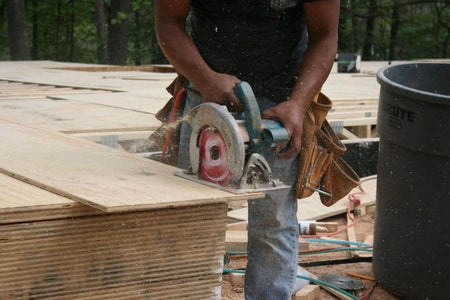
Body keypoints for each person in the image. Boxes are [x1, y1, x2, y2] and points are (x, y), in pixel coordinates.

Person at [155, 1, 339, 299]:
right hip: (205, 84)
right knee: (196, 214)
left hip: (282, 96)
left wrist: (298, 103)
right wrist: (204, 79)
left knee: (274, 218)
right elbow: (168, 23)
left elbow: (326, 36)